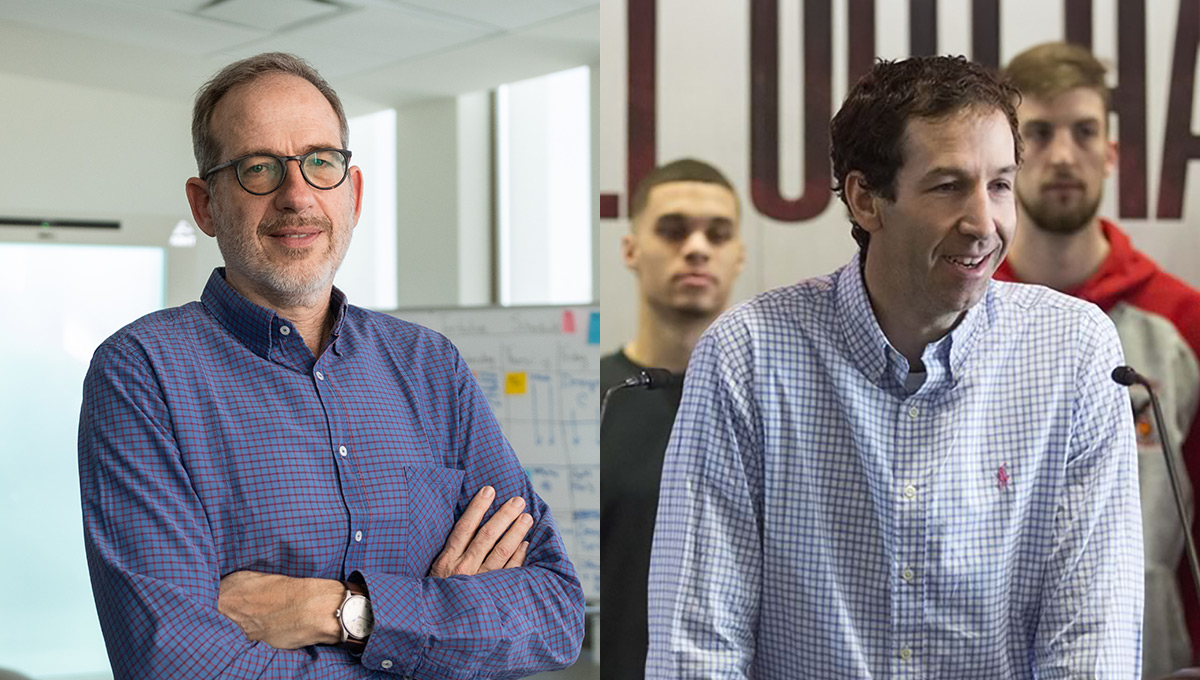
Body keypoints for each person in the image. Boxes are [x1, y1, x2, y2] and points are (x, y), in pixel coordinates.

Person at [78, 52, 584, 679]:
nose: (297, 195)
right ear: (205, 204)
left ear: (354, 193)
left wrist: (348, 612)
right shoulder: (143, 374)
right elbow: (178, 666)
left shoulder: (430, 366)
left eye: (321, 162)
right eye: (258, 168)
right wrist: (439, 635)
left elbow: (556, 613)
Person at [645, 55, 1143, 678]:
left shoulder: (1076, 353)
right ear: (865, 200)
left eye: (1000, 185)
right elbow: (696, 643)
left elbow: (1092, 641)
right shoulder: (748, 356)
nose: (984, 224)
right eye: (948, 186)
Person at [998, 42, 1200, 677]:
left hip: (1152, 657)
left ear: (1111, 153)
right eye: (1039, 132)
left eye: (1085, 131)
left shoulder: (1183, 322)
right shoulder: (958, 316)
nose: (1062, 155)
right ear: (1006, 156)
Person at [600, 158, 745, 679]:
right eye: (673, 230)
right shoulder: (598, 402)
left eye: (718, 233)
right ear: (631, 249)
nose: (697, 247)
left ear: (739, 255)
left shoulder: (774, 406)